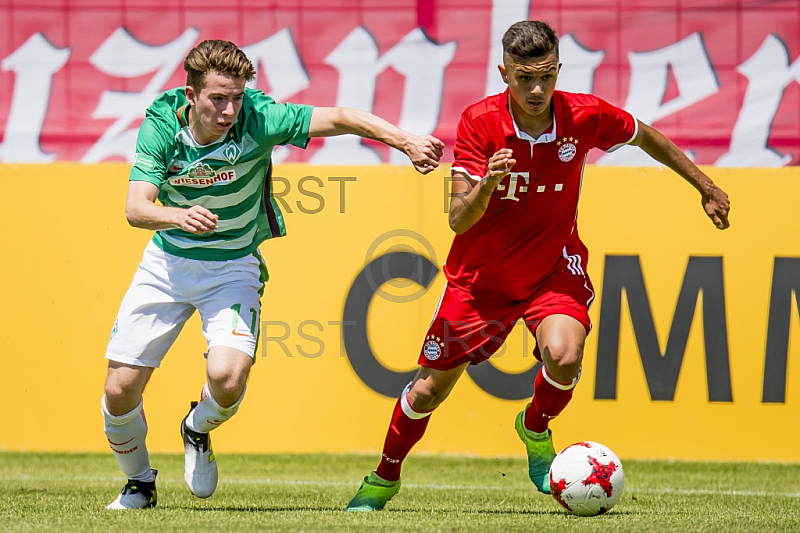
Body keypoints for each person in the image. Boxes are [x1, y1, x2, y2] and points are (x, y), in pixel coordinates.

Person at [345, 20, 730, 511]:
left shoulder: (584, 114)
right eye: (525, 77)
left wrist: (705, 186)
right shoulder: (479, 123)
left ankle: (535, 427)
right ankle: (384, 476)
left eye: (546, 76)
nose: (536, 89)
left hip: (553, 267)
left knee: (565, 356)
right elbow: (458, 220)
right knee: (426, 393)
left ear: (558, 71)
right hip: (482, 278)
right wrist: (487, 183)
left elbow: (644, 136)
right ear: (504, 73)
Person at [102, 39, 444, 510]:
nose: (228, 110)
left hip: (234, 265)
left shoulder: (260, 119)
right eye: (217, 98)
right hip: (167, 263)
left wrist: (406, 141)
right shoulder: (161, 124)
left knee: (228, 378)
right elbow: (136, 208)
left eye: (237, 97)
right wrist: (178, 217)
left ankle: (196, 428)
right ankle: (139, 482)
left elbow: (342, 117)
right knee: (119, 391)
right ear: (190, 95)